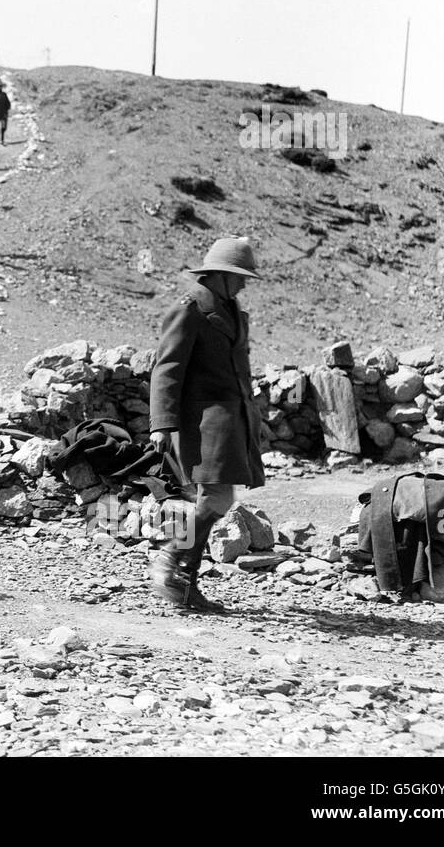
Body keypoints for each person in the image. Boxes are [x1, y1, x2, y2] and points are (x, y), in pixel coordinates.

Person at [148, 237, 266, 614]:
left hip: (231, 422)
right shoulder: (190, 311)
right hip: (203, 422)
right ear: (221, 276)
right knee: (216, 499)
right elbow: (167, 369)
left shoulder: (232, 311)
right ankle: (172, 567)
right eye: (240, 277)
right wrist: (161, 424)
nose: (246, 284)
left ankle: (180, 576)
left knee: (217, 499)